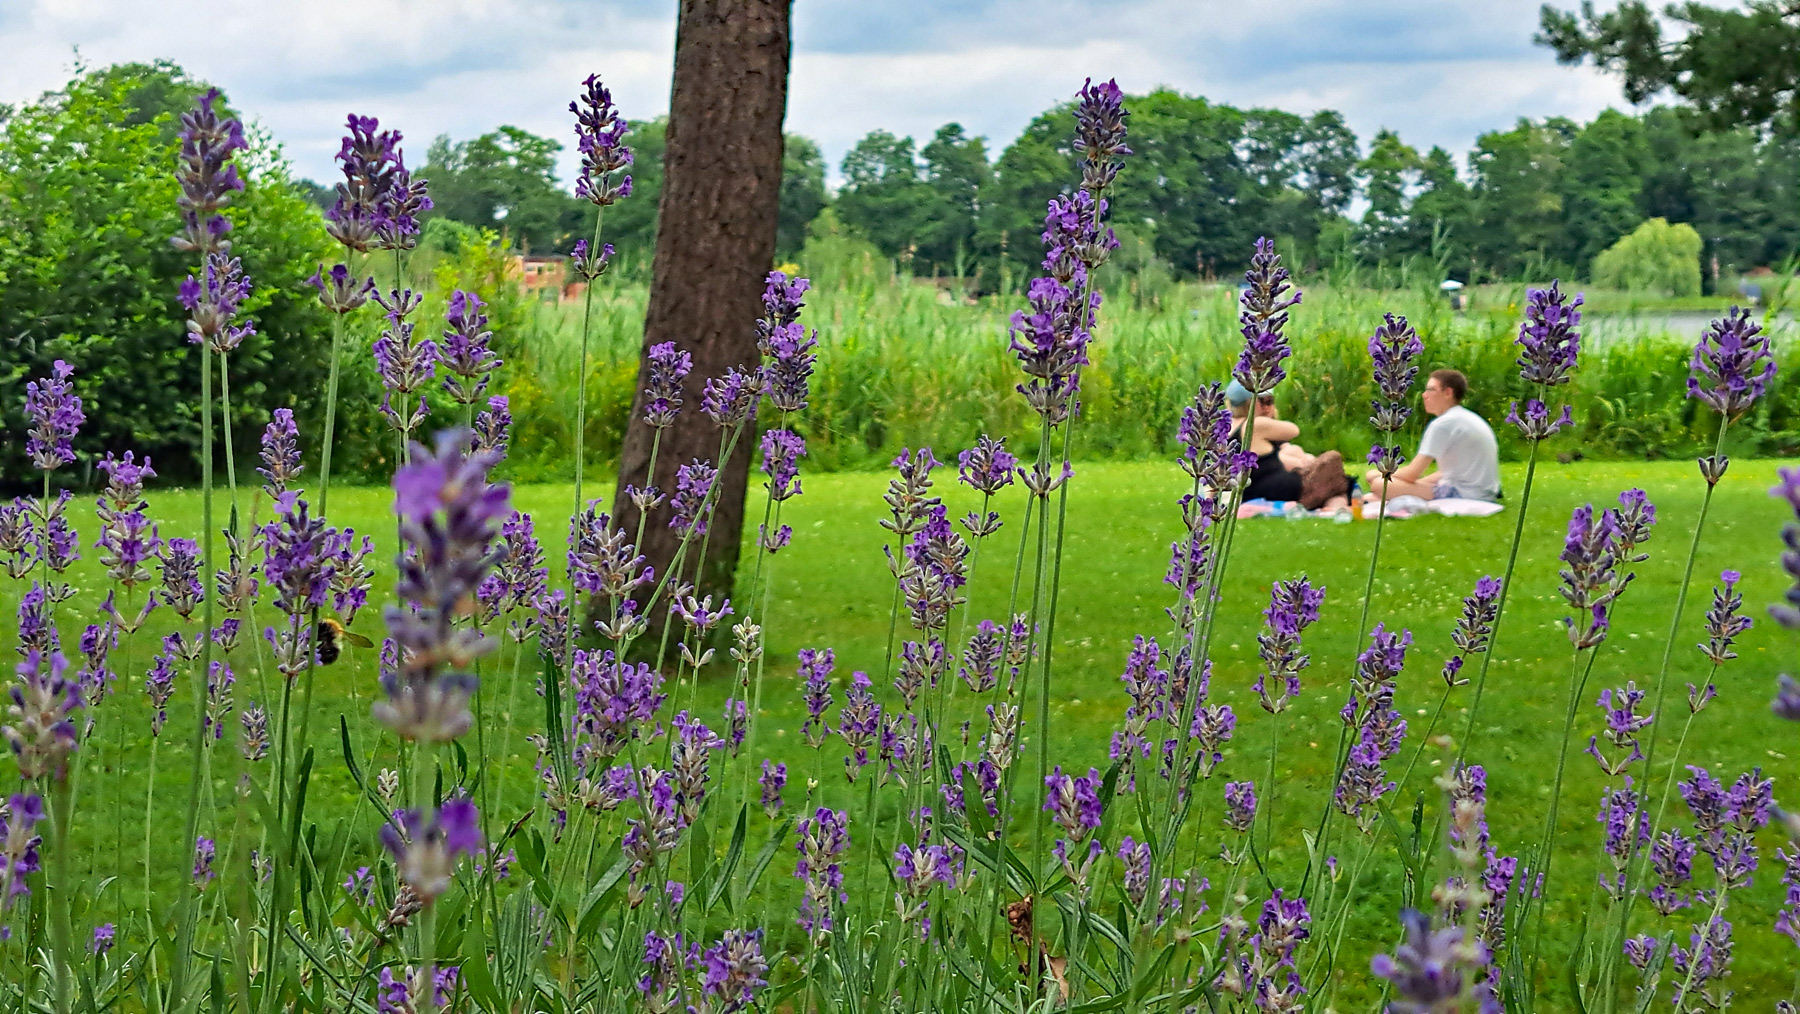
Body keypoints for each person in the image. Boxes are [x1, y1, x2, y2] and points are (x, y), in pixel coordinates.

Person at [1363, 368, 1500, 502]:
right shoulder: (1464, 417)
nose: (1424, 395)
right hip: (1483, 491)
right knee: (1386, 486)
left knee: (1378, 483)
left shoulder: (1443, 424)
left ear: (1448, 393)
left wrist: (1379, 475)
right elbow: (1448, 473)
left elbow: (1412, 474)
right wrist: (1409, 486)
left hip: (1466, 493)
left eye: (1431, 390)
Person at [1226, 381, 1351, 510]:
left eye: (1270, 401)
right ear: (1250, 404)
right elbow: (1293, 431)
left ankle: (1336, 503)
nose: (1268, 407)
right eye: (1264, 401)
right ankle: (1343, 500)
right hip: (1285, 491)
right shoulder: (1255, 424)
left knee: (1334, 482)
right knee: (1334, 461)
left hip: (1261, 490)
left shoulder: (1230, 427)